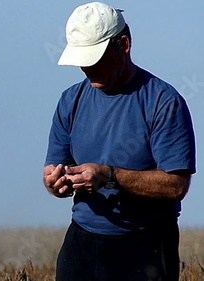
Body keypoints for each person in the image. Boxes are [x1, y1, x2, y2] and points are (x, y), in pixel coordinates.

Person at [43, 2, 196, 281]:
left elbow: (176, 185)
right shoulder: (70, 100)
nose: (87, 68)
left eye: (95, 57)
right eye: (82, 60)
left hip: (145, 245)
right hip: (82, 243)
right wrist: (55, 183)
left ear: (123, 45)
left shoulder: (163, 102)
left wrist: (109, 177)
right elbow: (54, 169)